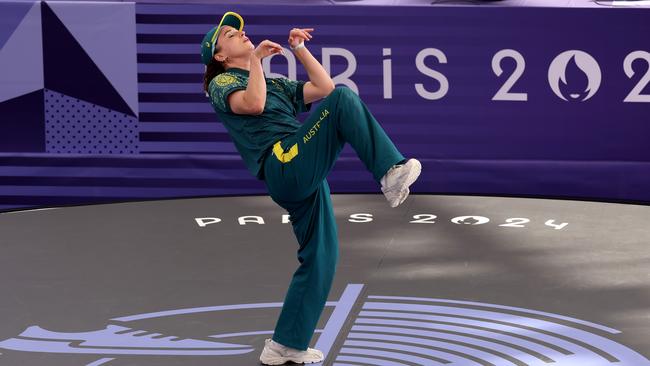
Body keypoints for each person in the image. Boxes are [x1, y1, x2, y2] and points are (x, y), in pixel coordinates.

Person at [200, 11, 421, 365]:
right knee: (346, 101)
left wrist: (299, 50)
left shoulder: (273, 83)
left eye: (241, 30)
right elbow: (253, 105)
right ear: (220, 56)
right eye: (230, 33)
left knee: (321, 257)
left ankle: (286, 344)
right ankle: (389, 172)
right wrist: (256, 60)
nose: (241, 34)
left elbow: (323, 89)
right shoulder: (221, 84)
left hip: (301, 166)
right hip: (283, 162)